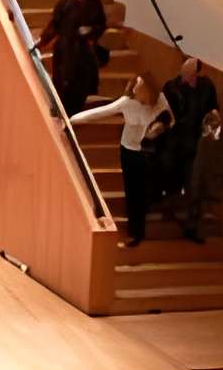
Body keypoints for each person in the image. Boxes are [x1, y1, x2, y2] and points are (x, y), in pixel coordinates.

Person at [70, 72, 174, 247]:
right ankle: (135, 232)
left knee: (142, 191)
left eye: (139, 90)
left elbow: (170, 119)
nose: (135, 91)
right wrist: (72, 119)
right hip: (128, 150)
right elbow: (101, 112)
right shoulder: (127, 103)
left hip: (146, 151)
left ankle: (140, 223)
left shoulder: (160, 101)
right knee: (132, 191)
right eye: (134, 89)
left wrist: (159, 128)